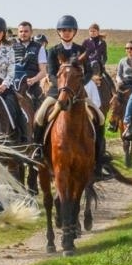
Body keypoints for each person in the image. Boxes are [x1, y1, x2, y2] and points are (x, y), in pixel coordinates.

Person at [37, 15, 111, 166]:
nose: (66, 33)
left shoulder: (81, 50)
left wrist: (80, 84)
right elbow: (51, 73)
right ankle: (37, 151)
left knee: (101, 118)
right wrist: (61, 86)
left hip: (78, 94)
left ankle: (98, 155)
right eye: (63, 30)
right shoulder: (53, 51)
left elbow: (89, 71)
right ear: (59, 32)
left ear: (74, 32)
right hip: (57, 93)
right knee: (39, 116)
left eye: (69, 30)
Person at [10, 21, 47, 106]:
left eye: (26, 31)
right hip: (13, 85)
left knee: (42, 110)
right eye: (21, 31)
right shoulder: (11, 47)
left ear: (31, 32)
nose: (23, 33)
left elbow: (43, 71)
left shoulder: (39, 47)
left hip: (32, 86)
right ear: (18, 33)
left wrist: (33, 80)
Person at [111, 39, 132, 133]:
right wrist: (119, 80)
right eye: (127, 48)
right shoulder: (122, 61)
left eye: (131, 48)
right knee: (115, 101)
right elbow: (118, 74)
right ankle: (113, 123)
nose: (129, 50)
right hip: (124, 84)